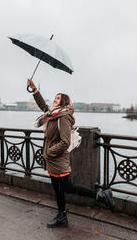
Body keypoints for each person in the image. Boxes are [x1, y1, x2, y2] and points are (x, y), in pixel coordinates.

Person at [27, 79, 115, 228]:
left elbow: (65, 142)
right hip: (53, 161)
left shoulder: (63, 117)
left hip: (58, 159)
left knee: (67, 188)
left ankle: (100, 196)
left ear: (63, 102)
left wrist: (49, 152)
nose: (55, 100)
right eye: (55, 97)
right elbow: (43, 105)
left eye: (58, 98)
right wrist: (34, 89)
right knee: (59, 189)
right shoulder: (53, 114)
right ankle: (62, 216)